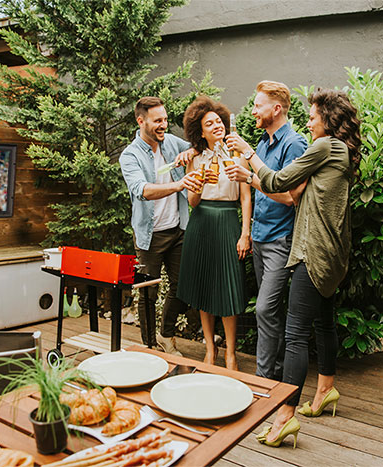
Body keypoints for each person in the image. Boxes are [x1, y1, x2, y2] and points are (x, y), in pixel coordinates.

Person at [228, 89, 361, 448]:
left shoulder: (325, 146)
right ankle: (325, 392)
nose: (308, 120)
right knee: (324, 322)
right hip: (334, 253)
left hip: (312, 251)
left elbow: (277, 183)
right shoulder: (342, 151)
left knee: (296, 334)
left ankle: (284, 416)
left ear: (328, 119)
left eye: (313, 115)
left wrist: (249, 154)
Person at [224, 81, 307, 381]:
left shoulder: (294, 144)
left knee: (263, 309)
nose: (253, 110)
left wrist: (251, 177)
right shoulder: (261, 143)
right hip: (260, 238)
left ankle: (262, 379)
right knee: (269, 313)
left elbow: (290, 197)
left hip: (280, 240)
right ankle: (277, 372)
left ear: (277, 108)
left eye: (258, 105)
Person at [119, 97, 201, 356]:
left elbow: (202, 146)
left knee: (183, 287)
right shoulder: (130, 155)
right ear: (141, 121)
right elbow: (141, 190)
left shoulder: (172, 143)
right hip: (150, 235)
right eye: (157, 121)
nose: (163, 125)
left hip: (178, 230)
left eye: (165, 119)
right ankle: (149, 347)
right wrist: (179, 185)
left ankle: (166, 335)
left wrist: (192, 152)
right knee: (147, 294)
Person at [177, 96, 252, 371]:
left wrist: (245, 233)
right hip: (201, 224)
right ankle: (210, 348)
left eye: (218, 121)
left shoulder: (238, 155)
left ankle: (231, 353)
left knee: (229, 290)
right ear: (201, 131)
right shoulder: (194, 158)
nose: (216, 125)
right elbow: (192, 202)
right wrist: (197, 182)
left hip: (228, 221)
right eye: (209, 123)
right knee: (204, 287)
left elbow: (246, 197)